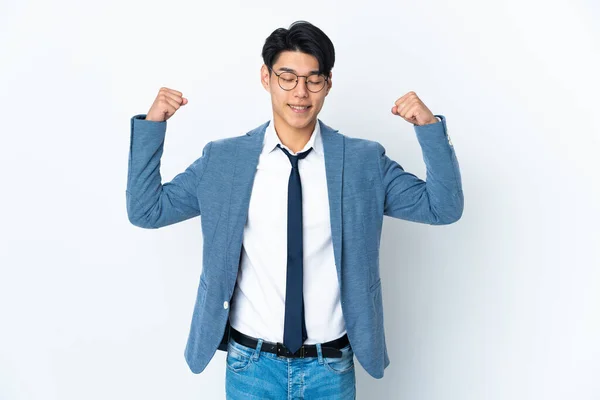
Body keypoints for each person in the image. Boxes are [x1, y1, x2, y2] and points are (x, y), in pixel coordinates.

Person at [126, 20, 463, 399]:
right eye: (287, 77)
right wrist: (153, 126)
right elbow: (146, 210)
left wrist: (430, 129)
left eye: (313, 79)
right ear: (266, 78)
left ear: (328, 83)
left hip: (330, 368)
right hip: (250, 366)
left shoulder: (362, 161)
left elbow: (443, 207)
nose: (300, 92)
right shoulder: (225, 160)